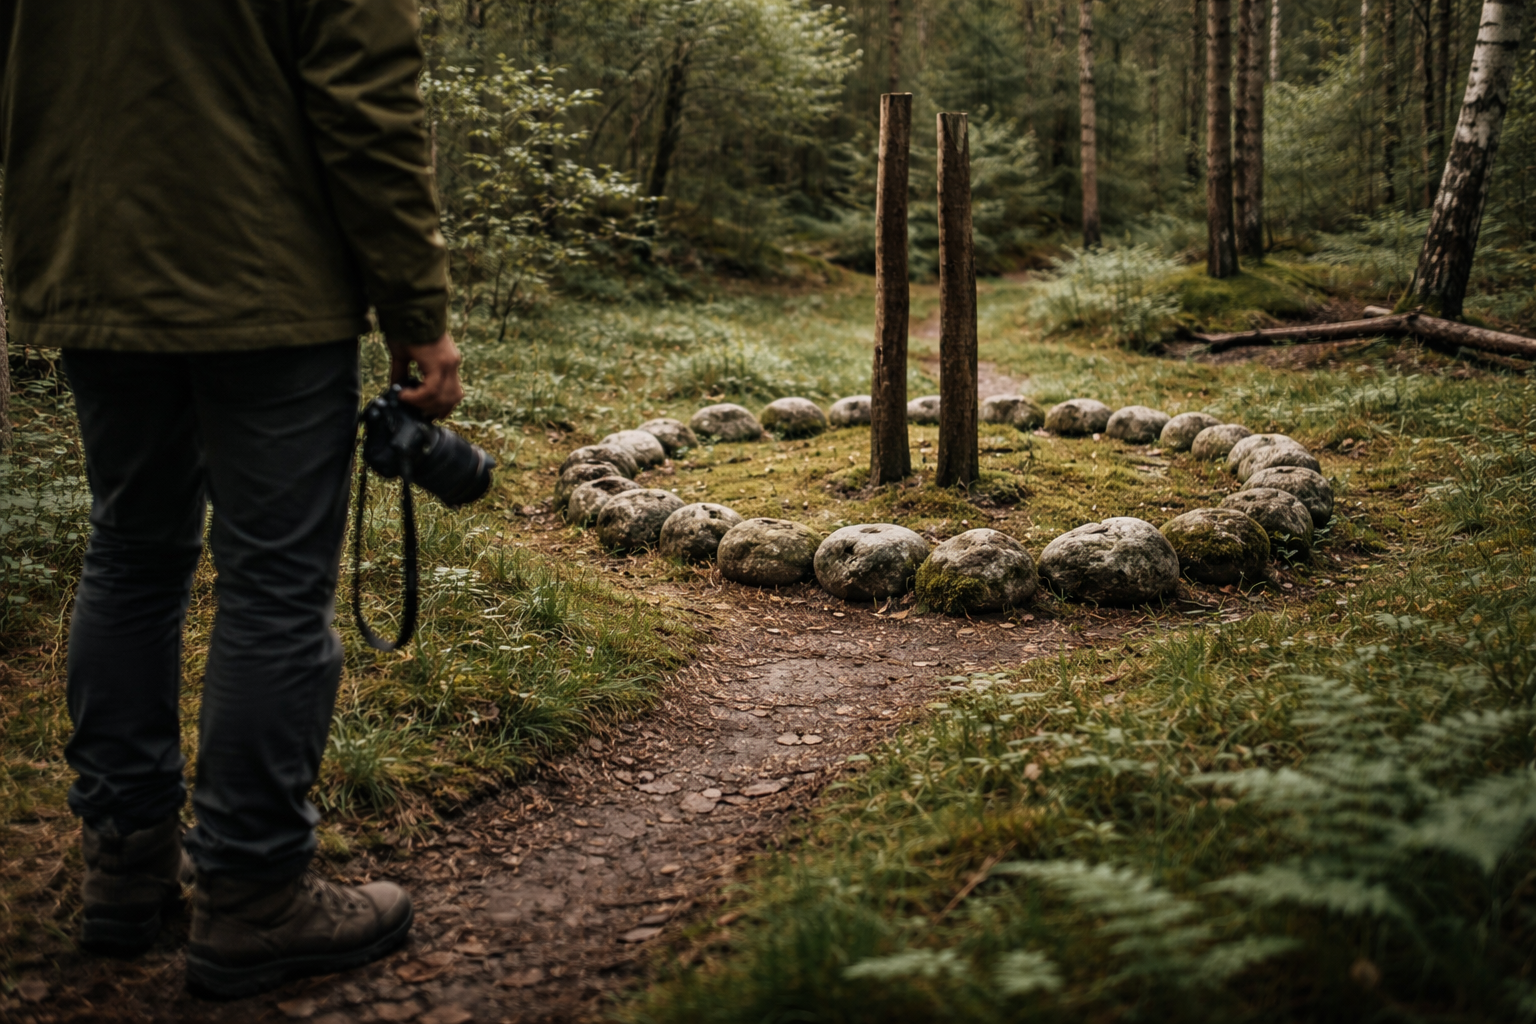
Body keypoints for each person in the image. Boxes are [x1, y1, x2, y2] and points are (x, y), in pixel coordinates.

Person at [0, 0, 462, 999]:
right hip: (265, 279)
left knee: (130, 549)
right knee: (275, 584)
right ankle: (255, 893)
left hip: (92, 260)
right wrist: (417, 311)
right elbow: (368, 103)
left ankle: (124, 863)